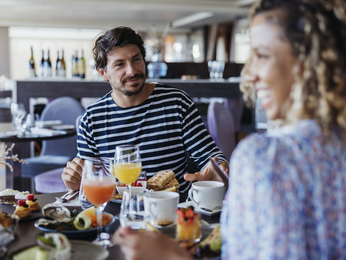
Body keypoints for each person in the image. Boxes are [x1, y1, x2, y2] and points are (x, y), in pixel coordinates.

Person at [114, 0, 346, 259]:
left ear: (307, 61)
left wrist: (170, 255)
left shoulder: (268, 157)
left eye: (262, 55)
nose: (249, 75)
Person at [62, 26, 228, 193]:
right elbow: (89, 179)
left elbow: (211, 157)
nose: (132, 71)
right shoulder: (91, 119)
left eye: (136, 60)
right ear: (103, 73)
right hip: (118, 212)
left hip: (174, 210)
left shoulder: (177, 103)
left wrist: (218, 169)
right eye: (120, 64)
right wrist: (76, 183)